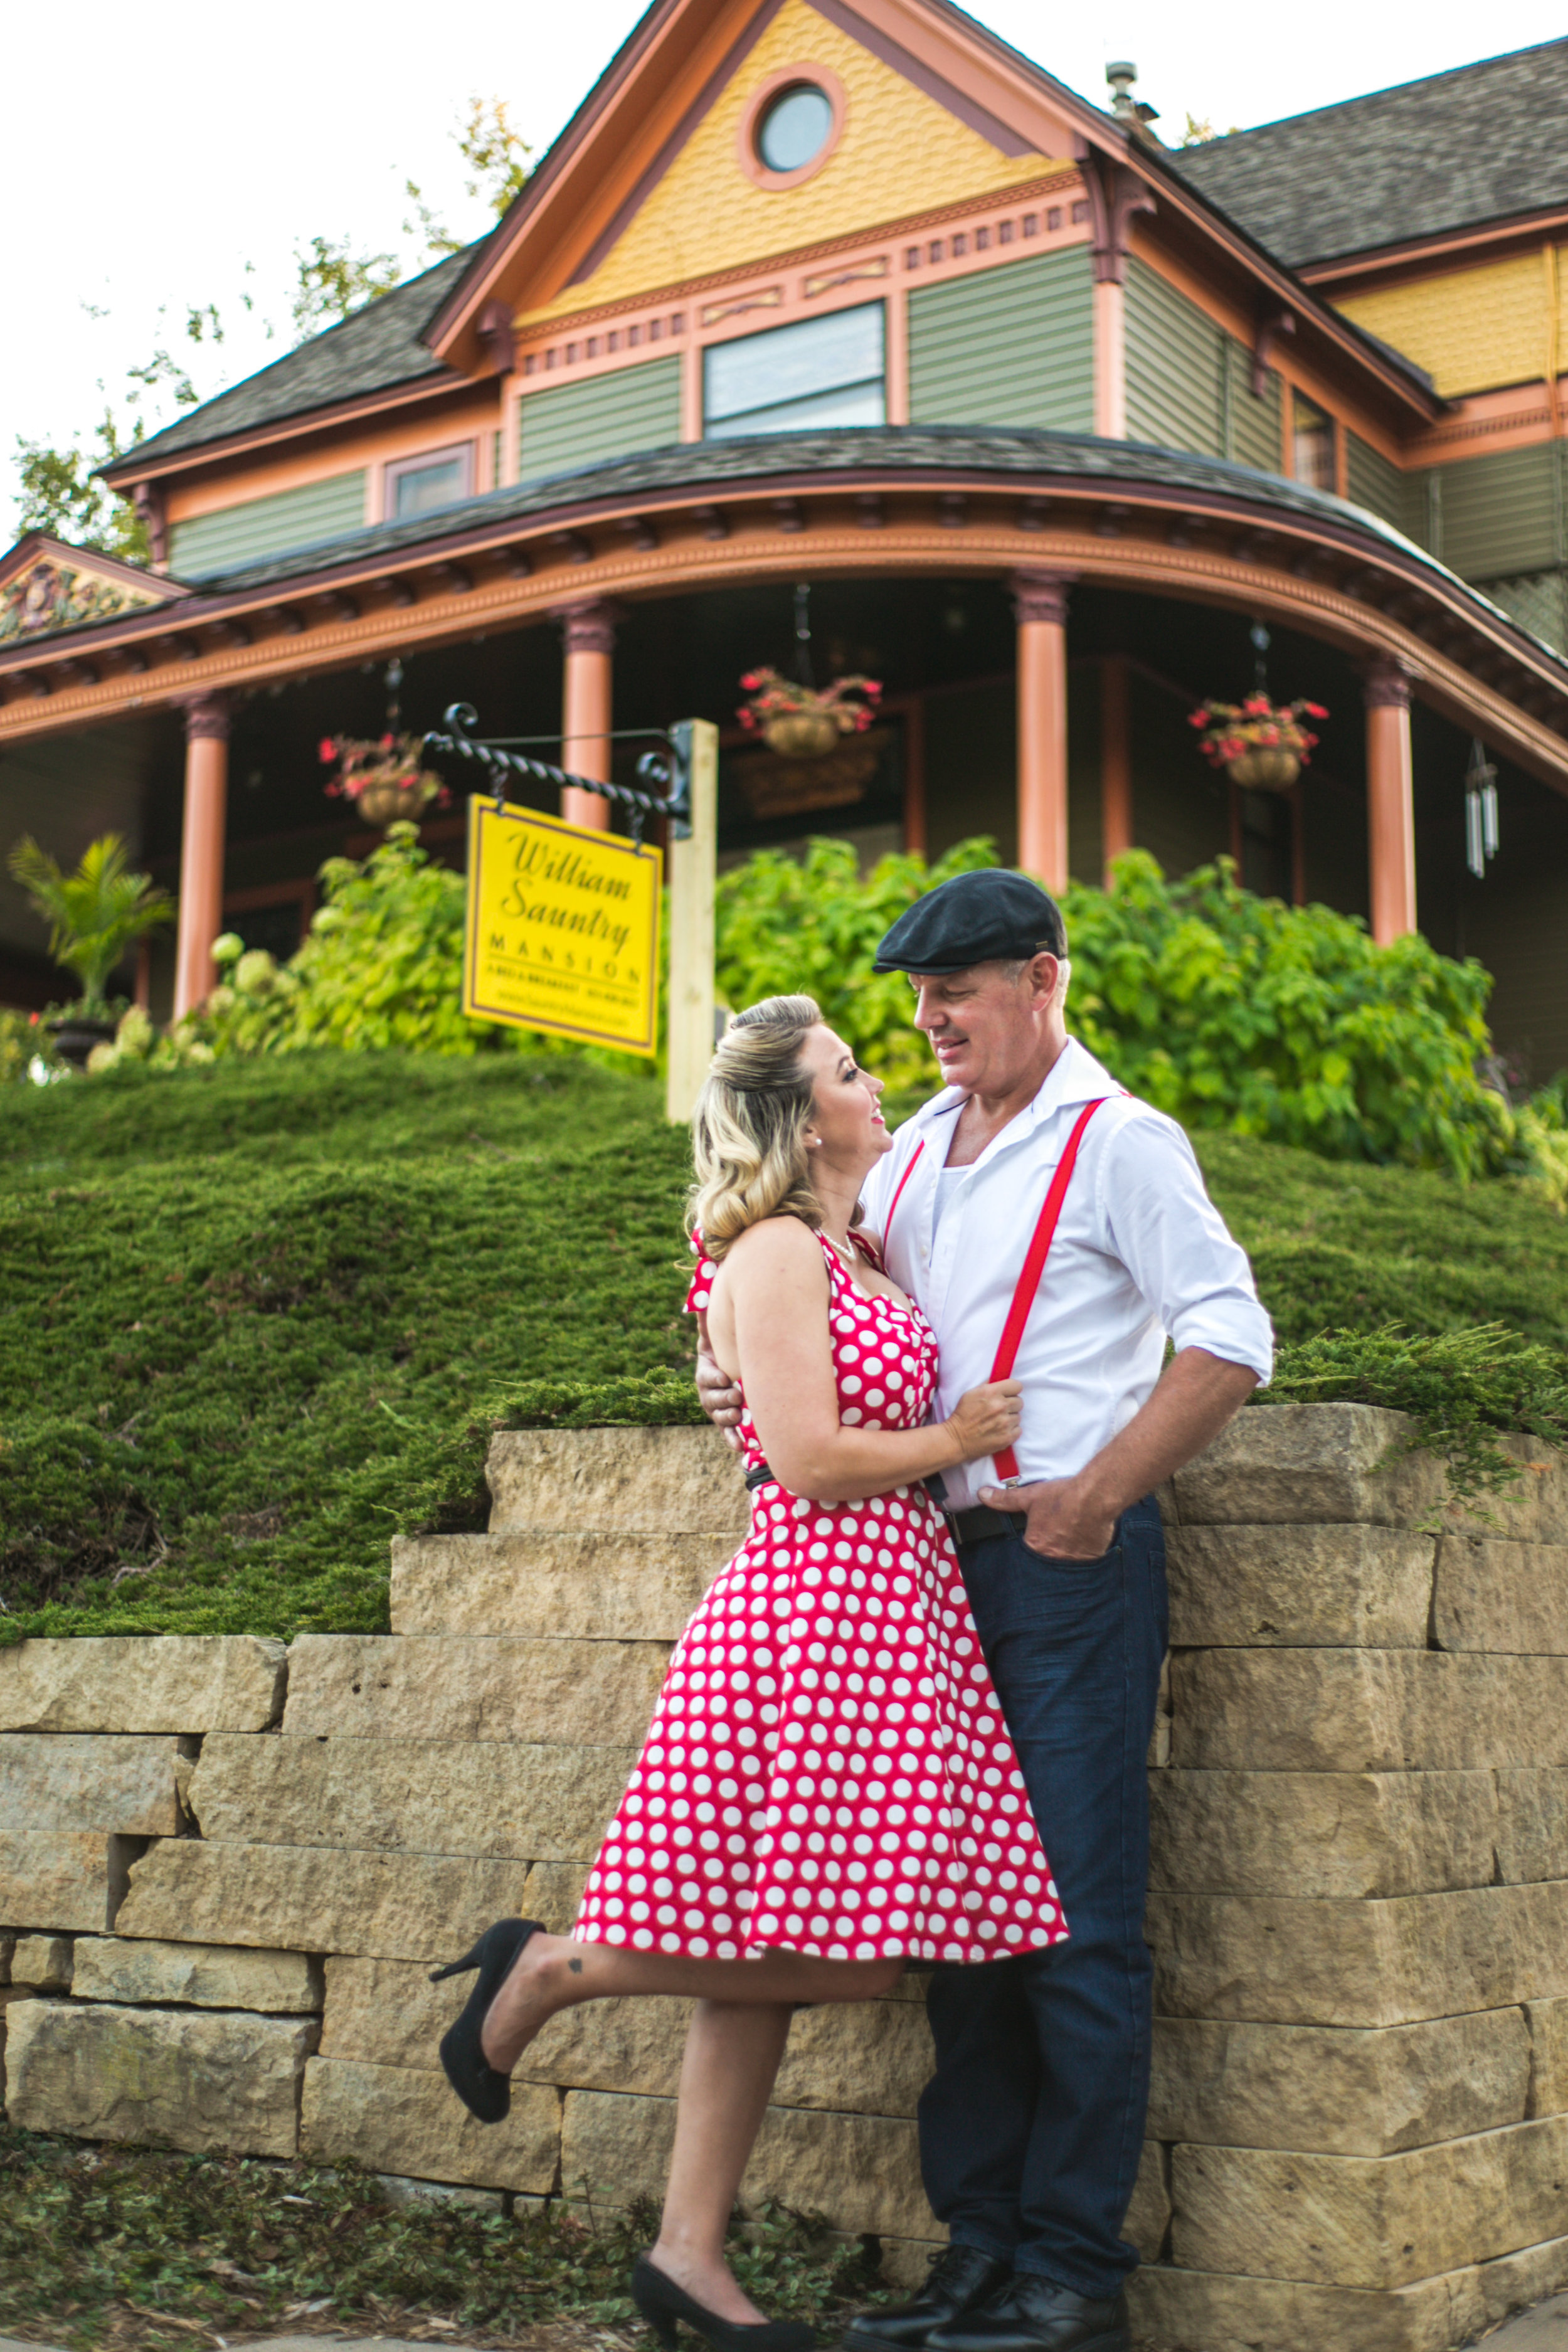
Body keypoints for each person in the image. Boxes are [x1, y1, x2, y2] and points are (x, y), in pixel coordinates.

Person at [432, 993, 1072, 2352]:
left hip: (891, 1616)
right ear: (797, 1117)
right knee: (832, 1964)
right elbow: (808, 1460)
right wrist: (951, 1433)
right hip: (812, 1616)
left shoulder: (856, 1243)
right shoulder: (777, 1249)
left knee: (767, 1955)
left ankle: (688, 2253)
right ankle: (549, 1970)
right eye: (849, 1069)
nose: (876, 1080)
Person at [698, 874, 1273, 2352]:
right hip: (922, 1583)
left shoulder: (1120, 1140)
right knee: (960, 1929)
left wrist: (1094, 1497)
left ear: (1041, 979)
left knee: (1075, 1923)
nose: (929, 1020)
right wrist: (730, 1383)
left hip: (1066, 1568)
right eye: (914, 999)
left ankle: (1070, 2277)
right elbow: (821, 1305)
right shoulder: (901, 1165)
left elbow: (1226, 1337)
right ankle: (976, 2256)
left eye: (957, 990)